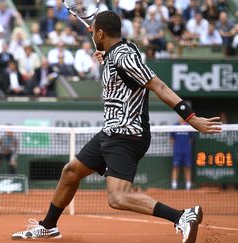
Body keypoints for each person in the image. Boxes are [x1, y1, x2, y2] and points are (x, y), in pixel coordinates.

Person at [11, 11, 222, 243]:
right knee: (70, 172)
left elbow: (159, 86)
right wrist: (106, 54)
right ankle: (49, 226)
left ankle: (182, 216)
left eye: (94, 33)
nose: (92, 35)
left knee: (118, 198)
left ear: (101, 33)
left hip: (127, 134)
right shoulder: (118, 52)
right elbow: (122, 53)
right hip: (110, 132)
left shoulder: (123, 56)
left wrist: (190, 117)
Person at [170, 118, 194, 190]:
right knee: (175, 167)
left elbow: (191, 139)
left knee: (187, 168)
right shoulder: (175, 126)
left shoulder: (188, 126)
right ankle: (174, 185)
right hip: (177, 151)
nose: (181, 117)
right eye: (180, 116)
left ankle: (188, 185)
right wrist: (177, 147)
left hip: (187, 151)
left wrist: (186, 147)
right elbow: (172, 139)